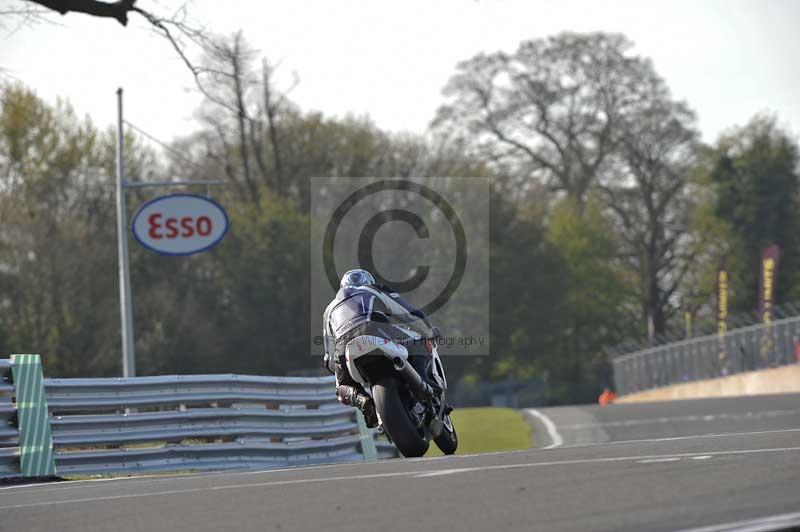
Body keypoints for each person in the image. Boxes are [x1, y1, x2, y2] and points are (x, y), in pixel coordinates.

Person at [322, 268, 436, 427]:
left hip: (344, 345)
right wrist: (429, 331)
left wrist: (341, 372)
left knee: (342, 388)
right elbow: (408, 313)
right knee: (419, 343)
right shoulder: (374, 289)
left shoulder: (329, 310)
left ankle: (362, 400)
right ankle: (423, 390)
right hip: (375, 329)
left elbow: (328, 358)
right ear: (369, 282)